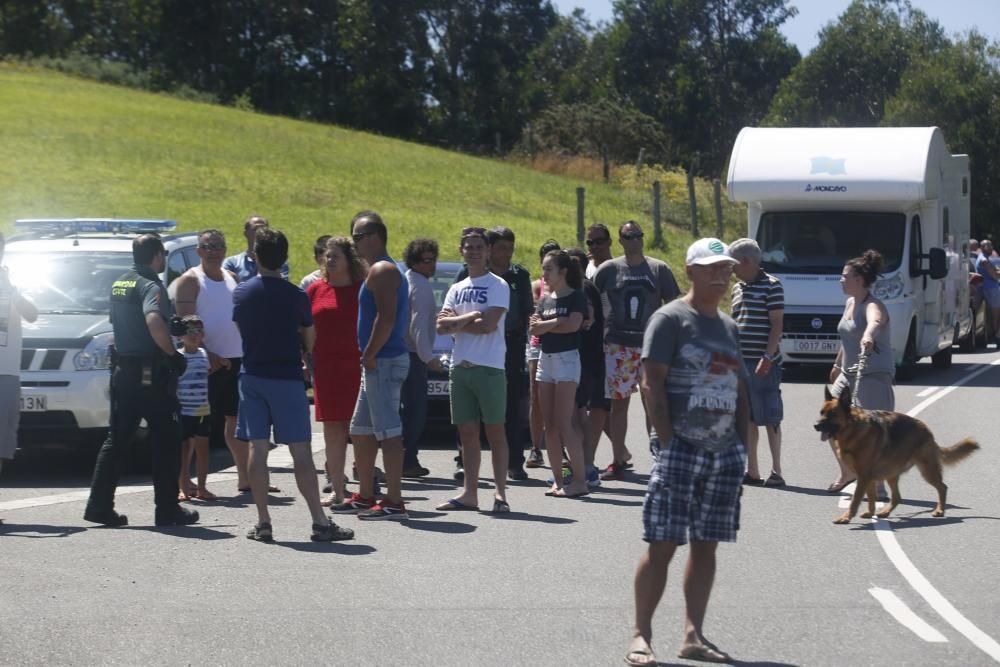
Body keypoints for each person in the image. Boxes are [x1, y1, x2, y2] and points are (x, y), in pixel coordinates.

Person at [624, 237, 749, 667]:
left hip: (723, 452)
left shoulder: (730, 326)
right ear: (691, 270)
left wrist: (742, 446)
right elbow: (650, 383)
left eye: (726, 267)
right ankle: (641, 635)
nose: (721, 273)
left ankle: (693, 635)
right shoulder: (670, 319)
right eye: (712, 266)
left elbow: (740, 388)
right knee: (663, 542)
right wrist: (667, 441)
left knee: (706, 544)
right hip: (681, 448)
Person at [234, 227, 353, 542]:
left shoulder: (242, 292)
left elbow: (239, 329)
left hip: (252, 376)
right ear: (284, 258)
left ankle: (263, 522)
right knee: (300, 451)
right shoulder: (297, 295)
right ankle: (319, 520)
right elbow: (310, 338)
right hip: (286, 377)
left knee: (257, 448)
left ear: (255, 256)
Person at [84, 234, 198, 527]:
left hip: (123, 373)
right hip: (151, 375)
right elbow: (151, 320)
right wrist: (172, 354)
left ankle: (98, 506)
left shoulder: (120, 282)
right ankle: (167, 509)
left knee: (117, 440)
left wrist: (168, 324)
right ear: (158, 256)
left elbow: (125, 320)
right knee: (167, 440)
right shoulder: (151, 285)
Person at [174, 229, 273, 495]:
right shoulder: (189, 281)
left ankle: (245, 477)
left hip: (236, 359)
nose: (214, 251)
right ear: (198, 251)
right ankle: (184, 482)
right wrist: (208, 354)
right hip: (202, 364)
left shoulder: (232, 277)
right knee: (194, 428)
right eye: (208, 246)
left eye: (219, 246)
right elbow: (184, 325)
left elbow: (240, 319)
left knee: (237, 421)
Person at [332, 211, 411, 521]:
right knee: (361, 431)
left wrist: (369, 352)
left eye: (359, 237)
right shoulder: (377, 270)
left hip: (384, 360)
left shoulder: (383, 269)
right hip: (378, 360)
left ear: (376, 236)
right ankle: (366, 494)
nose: (355, 243)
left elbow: (387, 318)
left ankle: (394, 501)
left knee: (388, 432)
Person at [593, 221, 680, 481]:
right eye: (629, 236)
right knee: (618, 405)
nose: (634, 240)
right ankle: (618, 458)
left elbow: (674, 306)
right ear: (620, 240)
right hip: (618, 345)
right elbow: (592, 302)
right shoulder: (609, 270)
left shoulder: (658, 268)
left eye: (638, 235)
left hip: (650, 346)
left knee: (653, 403)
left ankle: (660, 459)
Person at [435, 228, 511, 513]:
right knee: (467, 434)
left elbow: (489, 325)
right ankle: (470, 493)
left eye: (479, 246)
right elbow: (440, 325)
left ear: (488, 251)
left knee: (495, 432)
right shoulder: (456, 288)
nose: (474, 251)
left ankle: (500, 493)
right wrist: (468, 318)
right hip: (460, 366)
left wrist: (458, 322)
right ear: (461, 250)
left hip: (489, 367)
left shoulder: (498, 285)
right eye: (469, 247)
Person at [453, 226, 533, 480]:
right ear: (490, 250)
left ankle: (514, 462)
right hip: (470, 348)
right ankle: (463, 462)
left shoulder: (519, 276)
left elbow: (526, 311)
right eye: (501, 248)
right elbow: (449, 316)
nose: (506, 254)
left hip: (510, 346)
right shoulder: (466, 274)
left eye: (510, 248)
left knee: (511, 405)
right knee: (468, 414)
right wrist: (466, 324)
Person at [827, 249, 895, 494]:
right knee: (830, 423)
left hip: (872, 376)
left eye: (845, 276)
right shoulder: (849, 302)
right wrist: (837, 366)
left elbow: (874, 322)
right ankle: (848, 472)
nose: (841, 279)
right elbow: (847, 338)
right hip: (848, 374)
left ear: (860, 280)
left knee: (873, 432)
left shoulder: (873, 305)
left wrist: (868, 336)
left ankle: (878, 487)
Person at [307, 236, 365, 506]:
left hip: (357, 366)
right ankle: (338, 489)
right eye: (326, 256)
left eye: (335, 256)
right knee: (332, 428)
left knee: (361, 429)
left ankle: (365, 489)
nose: (329, 260)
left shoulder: (363, 289)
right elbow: (304, 328)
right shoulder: (315, 289)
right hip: (325, 367)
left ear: (348, 260)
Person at [529, 249, 588, 498]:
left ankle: (580, 481)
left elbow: (574, 325)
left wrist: (549, 325)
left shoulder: (576, 297)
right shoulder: (545, 299)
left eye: (548, 269)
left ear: (562, 272)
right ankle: (559, 481)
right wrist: (555, 324)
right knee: (549, 425)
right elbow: (534, 328)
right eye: (543, 269)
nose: (544, 274)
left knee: (565, 423)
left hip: (567, 360)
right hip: (546, 360)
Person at [729, 238, 785, 488]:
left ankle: (777, 470)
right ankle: (752, 470)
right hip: (741, 361)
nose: (731, 269)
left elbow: (776, 325)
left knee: (771, 415)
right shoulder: (737, 288)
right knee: (748, 417)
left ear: (746, 262)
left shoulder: (773, 286)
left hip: (764, 362)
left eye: (734, 263)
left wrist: (768, 356)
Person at [0, 233, 37, 524]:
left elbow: (32, 314)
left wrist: (12, 290)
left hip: (7, 372)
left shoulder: (13, 281)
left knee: (3, 443)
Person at [401, 238, 443, 478]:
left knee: (406, 410)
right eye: (427, 261)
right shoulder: (421, 286)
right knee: (416, 412)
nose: (432, 265)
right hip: (414, 356)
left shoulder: (407, 280)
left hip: (404, 353)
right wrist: (429, 358)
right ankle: (408, 460)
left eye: (433, 260)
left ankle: (405, 458)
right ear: (415, 262)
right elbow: (418, 327)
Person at [566, 246, 605, 488]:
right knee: (578, 413)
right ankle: (583, 466)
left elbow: (584, 322)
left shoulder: (583, 290)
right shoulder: (584, 288)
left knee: (577, 415)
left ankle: (586, 467)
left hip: (584, 360)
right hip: (586, 359)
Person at [524, 239, 561, 471]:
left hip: (562, 347)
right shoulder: (536, 286)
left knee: (560, 400)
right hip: (537, 345)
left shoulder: (567, 288)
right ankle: (536, 448)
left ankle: (561, 451)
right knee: (536, 396)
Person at [175, 315, 215, 501]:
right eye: (189, 331)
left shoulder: (203, 354)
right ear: (181, 335)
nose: (194, 335)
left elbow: (206, 373)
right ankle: (183, 487)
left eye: (198, 331)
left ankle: (202, 488)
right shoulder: (178, 357)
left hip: (202, 410)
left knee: (202, 449)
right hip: (184, 411)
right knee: (183, 449)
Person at [223, 214, 289, 283]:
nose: (259, 232)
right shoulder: (232, 263)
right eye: (255, 229)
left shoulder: (279, 261)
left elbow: (282, 285)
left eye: (263, 229)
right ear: (246, 233)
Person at [975, 239, 1000, 344]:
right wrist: (998, 279)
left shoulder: (985, 258)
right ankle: (997, 337)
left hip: (990, 289)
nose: (990, 248)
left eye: (991, 245)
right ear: (981, 248)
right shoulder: (984, 260)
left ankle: (994, 336)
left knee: (993, 315)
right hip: (991, 289)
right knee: (996, 315)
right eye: (987, 246)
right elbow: (993, 274)